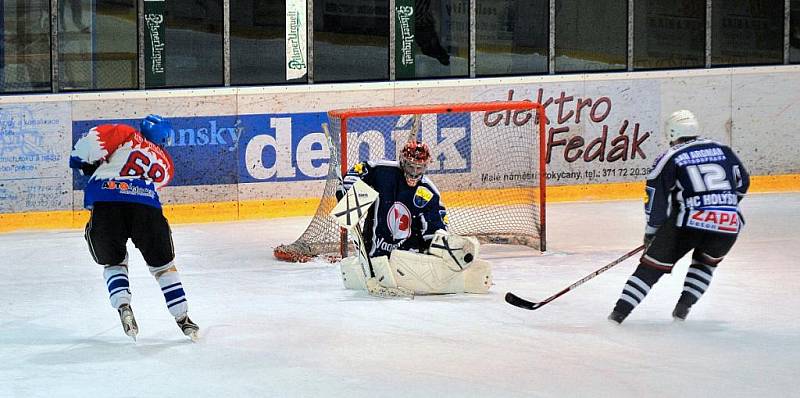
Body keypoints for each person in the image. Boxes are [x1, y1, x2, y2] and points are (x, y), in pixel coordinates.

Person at [608, 110, 750, 324]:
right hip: (728, 224)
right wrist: (722, 208)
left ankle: (616, 317)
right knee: (705, 264)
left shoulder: (671, 156)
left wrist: (652, 232)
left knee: (650, 268)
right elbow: (743, 183)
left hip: (687, 224)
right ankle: (681, 314)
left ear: (672, 132)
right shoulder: (724, 150)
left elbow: (656, 198)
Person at [69, 114, 199, 341]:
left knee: (114, 262)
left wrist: (84, 165)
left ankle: (123, 306)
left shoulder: (124, 133)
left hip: (106, 202)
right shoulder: (166, 164)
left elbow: (82, 150)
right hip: (146, 207)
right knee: (164, 267)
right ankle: (183, 318)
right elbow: (150, 179)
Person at [337, 138, 492, 295]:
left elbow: (435, 231)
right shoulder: (384, 172)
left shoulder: (428, 192)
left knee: (436, 243)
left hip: (406, 260)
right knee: (360, 193)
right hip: (375, 252)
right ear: (403, 162)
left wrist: (444, 247)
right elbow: (362, 168)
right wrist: (350, 183)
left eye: (420, 168)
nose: (415, 172)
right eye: (411, 166)